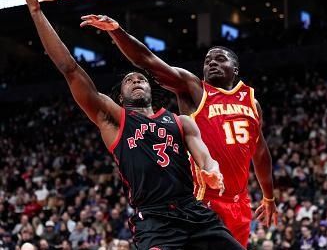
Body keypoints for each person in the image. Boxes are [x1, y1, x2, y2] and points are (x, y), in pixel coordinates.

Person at [19, 0, 244, 250]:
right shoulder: (114, 120)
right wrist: (35, 11)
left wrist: (212, 170)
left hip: (195, 213)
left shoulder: (181, 122)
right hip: (154, 220)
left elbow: (204, 157)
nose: (136, 80)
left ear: (151, 89)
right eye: (129, 80)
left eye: (140, 78)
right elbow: (69, 68)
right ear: (121, 97)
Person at [79, 14, 278, 247]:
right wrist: (117, 31)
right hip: (201, 200)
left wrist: (268, 196)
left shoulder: (252, 103)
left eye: (220, 59)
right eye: (207, 60)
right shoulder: (193, 89)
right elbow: (147, 60)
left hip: (239, 203)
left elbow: (260, 153)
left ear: (235, 68)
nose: (211, 62)